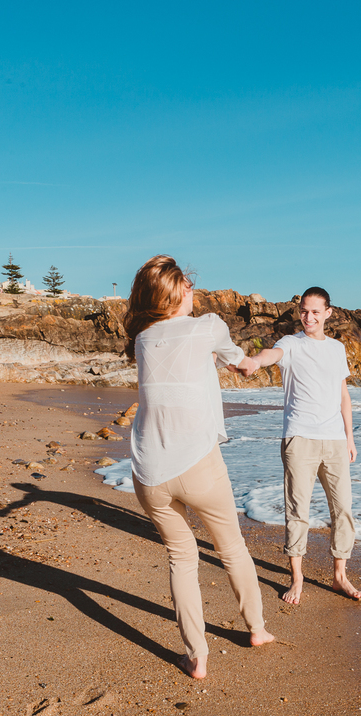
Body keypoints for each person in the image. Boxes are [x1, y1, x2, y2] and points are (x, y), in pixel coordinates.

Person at [124, 255, 275, 679]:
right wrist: (257, 361)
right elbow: (240, 362)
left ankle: (196, 657)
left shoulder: (142, 339)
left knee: (181, 558)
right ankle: (257, 629)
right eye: (187, 285)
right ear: (173, 293)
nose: (194, 290)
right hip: (197, 465)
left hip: (148, 470)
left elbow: (184, 364)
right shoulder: (208, 326)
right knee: (231, 549)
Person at [242, 287, 361, 604]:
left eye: (315, 312)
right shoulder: (291, 343)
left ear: (328, 313)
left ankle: (340, 576)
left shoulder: (337, 349)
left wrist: (350, 438)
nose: (309, 317)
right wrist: (254, 361)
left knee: (343, 510)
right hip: (300, 440)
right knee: (298, 512)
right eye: (304, 311)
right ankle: (297, 579)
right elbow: (271, 355)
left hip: (335, 441)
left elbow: (343, 395)